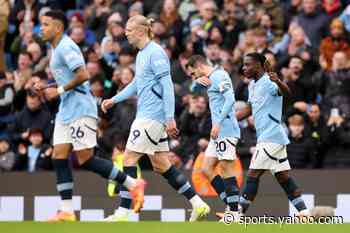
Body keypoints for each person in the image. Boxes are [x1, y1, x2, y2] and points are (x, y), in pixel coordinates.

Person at [36, 10, 145, 222]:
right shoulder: (55, 48)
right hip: (66, 110)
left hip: (81, 109)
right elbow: (69, 78)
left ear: (58, 27)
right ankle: (67, 210)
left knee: (85, 159)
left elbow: (84, 75)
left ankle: (133, 184)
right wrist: (48, 86)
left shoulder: (66, 47)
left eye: (46, 24)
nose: (42, 28)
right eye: (41, 24)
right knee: (58, 156)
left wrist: (56, 91)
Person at [102, 15, 210, 222]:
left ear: (141, 31)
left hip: (151, 117)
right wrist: (114, 99)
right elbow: (136, 84)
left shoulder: (156, 53)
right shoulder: (142, 54)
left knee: (129, 159)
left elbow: (167, 86)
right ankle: (198, 204)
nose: (126, 33)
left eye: (129, 29)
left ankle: (123, 211)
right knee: (161, 165)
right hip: (149, 116)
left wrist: (170, 118)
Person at [236, 52, 310, 218]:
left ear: (259, 65)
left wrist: (278, 81)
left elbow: (287, 93)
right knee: (284, 178)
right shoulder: (252, 85)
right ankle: (305, 213)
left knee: (253, 174)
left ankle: (237, 215)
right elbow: (249, 109)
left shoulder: (269, 82)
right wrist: (229, 120)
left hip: (270, 137)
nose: (244, 68)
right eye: (244, 64)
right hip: (273, 138)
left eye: (248, 64)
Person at [186, 55, 241, 221]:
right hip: (218, 132)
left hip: (226, 129)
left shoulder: (220, 75)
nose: (193, 77)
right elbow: (194, 89)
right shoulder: (211, 78)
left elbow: (230, 99)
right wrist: (197, 81)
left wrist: (218, 123)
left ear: (199, 66)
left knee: (226, 169)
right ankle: (233, 206)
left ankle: (234, 213)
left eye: (193, 73)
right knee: (206, 169)